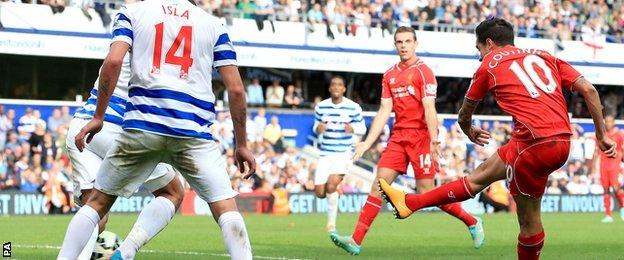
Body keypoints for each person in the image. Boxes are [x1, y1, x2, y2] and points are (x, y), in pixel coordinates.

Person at [379, 17, 616, 260]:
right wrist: (601, 135)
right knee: (481, 175)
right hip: (559, 141)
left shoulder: (489, 64)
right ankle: (411, 203)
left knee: (529, 222)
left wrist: (469, 130)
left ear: (489, 43)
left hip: (533, 146)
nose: (479, 55)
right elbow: (589, 90)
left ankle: (411, 204)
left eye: (479, 48)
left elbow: (464, 113)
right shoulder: (544, 55)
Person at [57, 1, 255, 259]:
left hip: (111, 125)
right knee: (212, 204)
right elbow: (237, 89)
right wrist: (242, 144)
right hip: (186, 128)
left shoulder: (135, 14)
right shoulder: (213, 24)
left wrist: (98, 116)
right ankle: (126, 252)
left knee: (96, 206)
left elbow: (113, 60)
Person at [330, 26, 483, 256]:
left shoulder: (424, 72)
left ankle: (472, 221)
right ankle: (356, 240)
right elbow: (384, 110)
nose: (403, 45)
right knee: (378, 185)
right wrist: (367, 142)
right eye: (399, 41)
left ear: (415, 44)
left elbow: (429, 107)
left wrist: (434, 139)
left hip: (421, 137)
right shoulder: (389, 74)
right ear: (395, 45)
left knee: (426, 193)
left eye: (408, 41)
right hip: (399, 137)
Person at [65, 53, 185, 259]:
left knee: (95, 211)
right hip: (121, 129)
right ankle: (125, 253)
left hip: (82, 126)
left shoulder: (123, 36)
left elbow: (112, 62)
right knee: (172, 192)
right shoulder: (160, 46)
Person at [313, 75, 366, 233]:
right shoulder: (321, 107)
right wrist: (318, 129)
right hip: (325, 154)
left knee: (331, 185)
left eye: (339, 85)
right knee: (320, 193)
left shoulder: (353, 107)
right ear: (330, 88)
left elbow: (362, 128)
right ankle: (336, 191)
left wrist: (353, 129)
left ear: (343, 89)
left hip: (343, 153)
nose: (336, 87)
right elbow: (315, 126)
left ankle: (331, 225)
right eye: (333, 85)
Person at [593, 115, 624, 223]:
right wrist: (593, 168)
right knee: (605, 190)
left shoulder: (619, 135)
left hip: (614, 164)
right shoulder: (601, 135)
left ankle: (622, 207)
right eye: (606, 121)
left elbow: (622, 150)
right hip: (603, 165)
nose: (608, 123)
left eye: (610, 121)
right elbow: (596, 152)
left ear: (614, 122)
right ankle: (608, 215)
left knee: (616, 188)